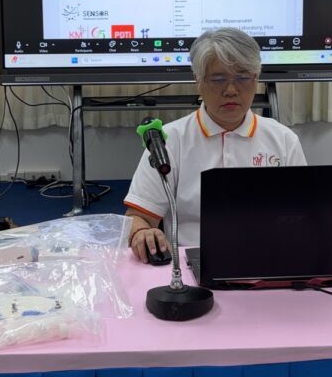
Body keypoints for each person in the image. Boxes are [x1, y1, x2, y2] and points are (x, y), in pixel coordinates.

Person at [123, 27, 307, 262]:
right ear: (198, 82)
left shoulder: (283, 139)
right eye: (218, 79)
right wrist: (142, 232)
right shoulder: (170, 139)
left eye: (242, 78)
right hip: (190, 260)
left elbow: (302, 215)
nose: (231, 90)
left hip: (268, 257)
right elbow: (138, 216)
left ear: (257, 79)